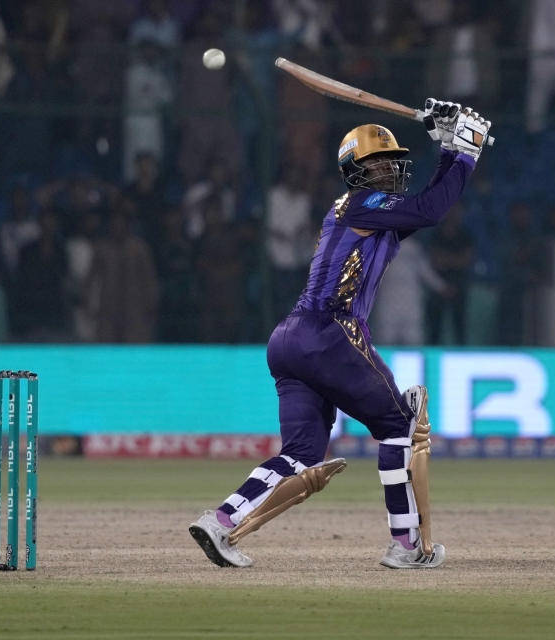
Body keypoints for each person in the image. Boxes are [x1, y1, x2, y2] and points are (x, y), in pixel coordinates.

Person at [188, 100, 491, 569]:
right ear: (357, 171)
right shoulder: (364, 204)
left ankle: (222, 520)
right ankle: (406, 544)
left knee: (301, 454)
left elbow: (425, 207)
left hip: (289, 340)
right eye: (380, 163)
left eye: (394, 162)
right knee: (397, 427)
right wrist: (467, 151)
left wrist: (448, 146)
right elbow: (431, 210)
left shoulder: (367, 214)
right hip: (331, 332)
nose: (391, 169)